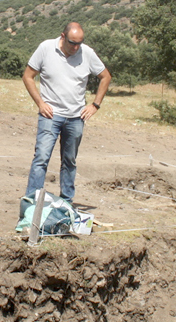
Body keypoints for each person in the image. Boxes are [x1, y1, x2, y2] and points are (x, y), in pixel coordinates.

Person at [23, 23, 111, 203]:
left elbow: (106, 77)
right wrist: (40, 103)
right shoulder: (46, 48)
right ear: (62, 37)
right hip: (50, 115)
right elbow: (27, 76)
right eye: (72, 43)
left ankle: (66, 202)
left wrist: (95, 105)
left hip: (76, 118)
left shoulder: (87, 53)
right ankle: (32, 203)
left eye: (80, 43)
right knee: (41, 158)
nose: (76, 47)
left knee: (69, 161)